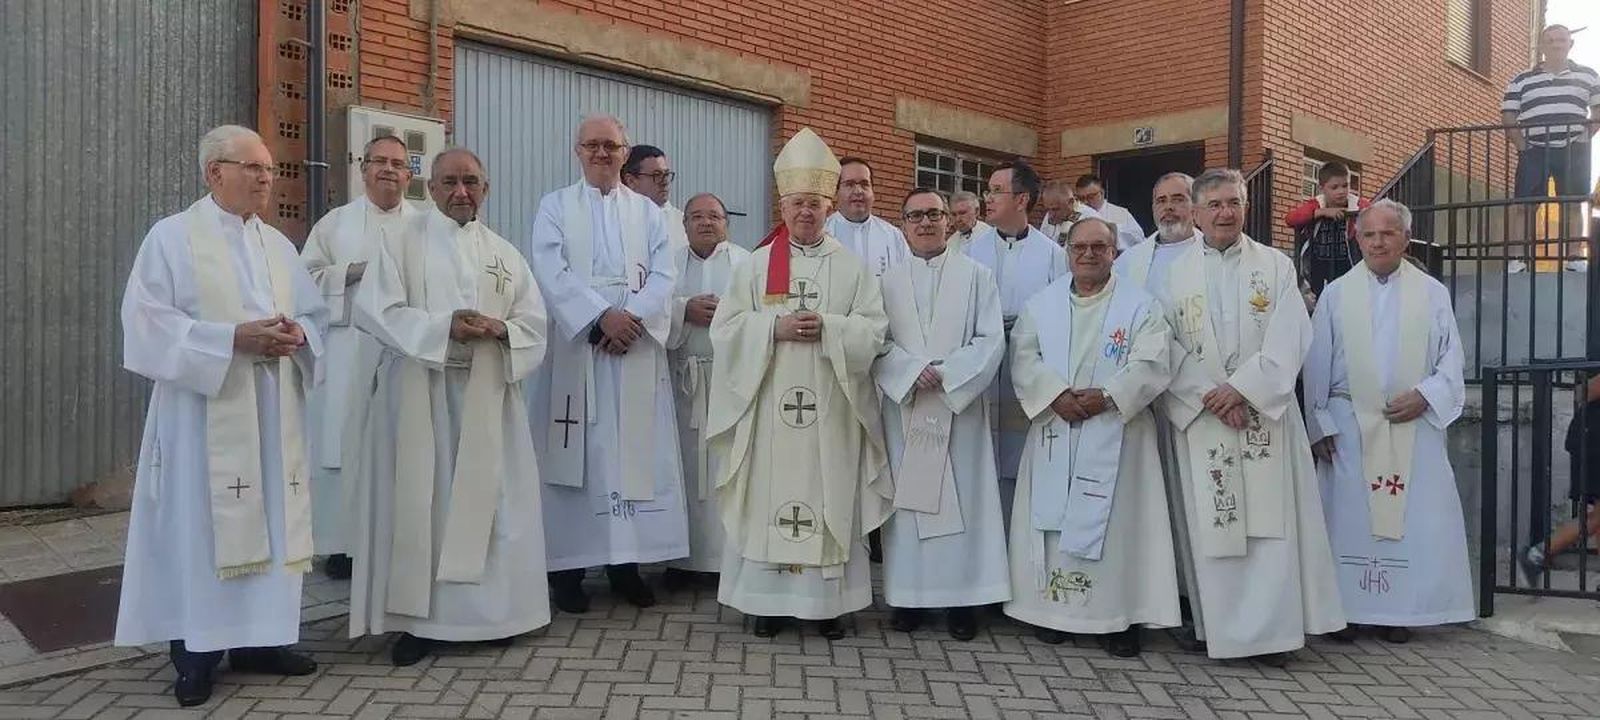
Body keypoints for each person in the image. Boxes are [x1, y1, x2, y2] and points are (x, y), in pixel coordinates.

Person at [116, 125, 325, 706]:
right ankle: (196, 653)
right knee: (201, 528)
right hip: (202, 417)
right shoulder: (172, 239)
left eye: (269, 168)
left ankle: (262, 640)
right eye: (253, 167)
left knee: (274, 519)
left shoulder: (279, 245)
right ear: (215, 173)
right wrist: (229, 339)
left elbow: (316, 317)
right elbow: (144, 323)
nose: (266, 177)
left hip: (272, 413)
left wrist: (298, 336)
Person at [346, 148, 551, 666]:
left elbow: (535, 321)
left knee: (494, 505)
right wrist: (443, 328)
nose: (462, 191)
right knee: (424, 505)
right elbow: (376, 312)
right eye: (451, 182)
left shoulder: (507, 253)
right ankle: (420, 623)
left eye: (472, 182)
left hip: (489, 396)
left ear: (487, 188)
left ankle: (497, 615)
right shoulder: (399, 242)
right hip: (421, 393)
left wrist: (502, 329)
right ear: (430, 188)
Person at [706, 128, 892, 640]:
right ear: (782, 208)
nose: (805, 212)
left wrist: (830, 328)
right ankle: (765, 603)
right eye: (795, 204)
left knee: (829, 490)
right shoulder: (757, 265)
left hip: (830, 411)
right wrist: (774, 327)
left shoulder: (852, 269)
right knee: (769, 493)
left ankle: (827, 607)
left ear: (828, 207)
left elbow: (874, 330)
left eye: (813, 203)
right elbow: (726, 330)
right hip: (768, 408)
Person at [1157, 168, 1344, 666]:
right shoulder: (1172, 277)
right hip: (1204, 419)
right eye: (1214, 204)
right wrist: (1208, 395)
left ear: (1245, 208)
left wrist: (1242, 390)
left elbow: (1291, 335)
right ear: (1196, 214)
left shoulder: (1275, 266)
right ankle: (1216, 629)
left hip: (1263, 416)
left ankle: (1273, 635)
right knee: (1214, 524)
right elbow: (1163, 346)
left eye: (1233, 203)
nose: (1225, 213)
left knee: (1267, 529)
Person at [527, 115, 689, 613]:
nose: (602, 153)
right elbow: (549, 269)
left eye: (611, 146)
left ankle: (627, 567)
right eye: (592, 145)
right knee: (579, 458)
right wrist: (599, 320)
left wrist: (631, 320)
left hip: (634, 349)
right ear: (577, 151)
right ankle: (569, 572)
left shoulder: (650, 212)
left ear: (624, 153)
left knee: (630, 457)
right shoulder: (554, 205)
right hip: (580, 350)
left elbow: (666, 272)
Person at [1005, 218, 1179, 657]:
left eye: (1098, 247)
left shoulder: (1142, 306)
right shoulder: (1041, 305)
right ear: (1067, 252)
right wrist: (1054, 394)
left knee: (1121, 528)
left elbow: (1153, 361)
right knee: (1054, 518)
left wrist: (1109, 395)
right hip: (1056, 425)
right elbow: (1023, 355)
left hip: (1117, 429)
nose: (1087, 254)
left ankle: (1118, 618)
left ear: (1114, 252)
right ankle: (1052, 613)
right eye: (1079, 247)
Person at [1303, 200, 1472, 644]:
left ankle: (1399, 610)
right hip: (1349, 424)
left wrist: (1426, 396)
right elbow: (1317, 361)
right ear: (1356, 238)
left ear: (1405, 237)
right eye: (1369, 234)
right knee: (1348, 518)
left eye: (1388, 233)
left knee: (1414, 517)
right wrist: (1318, 423)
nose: (1378, 242)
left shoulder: (1432, 293)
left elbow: (1450, 361)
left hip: (1410, 423)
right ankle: (1346, 610)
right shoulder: (1337, 293)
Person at [875, 188, 1008, 640]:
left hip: (959, 410)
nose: (926, 223)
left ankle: (964, 601)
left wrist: (947, 375)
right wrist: (911, 371)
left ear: (949, 221)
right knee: (911, 506)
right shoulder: (886, 280)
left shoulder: (977, 276)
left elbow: (991, 340)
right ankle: (909, 598)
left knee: (965, 503)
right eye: (916, 216)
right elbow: (877, 340)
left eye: (935, 214)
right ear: (903, 223)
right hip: (908, 406)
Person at [301, 134, 420, 580]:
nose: (388, 169)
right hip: (349, 350)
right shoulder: (335, 224)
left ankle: (399, 541)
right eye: (379, 161)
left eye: (398, 163)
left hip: (403, 352)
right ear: (363, 169)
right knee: (344, 444)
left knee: (400, 444)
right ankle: (343, 545)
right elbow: (306, 279)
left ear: (410, 174)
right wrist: (353, 273)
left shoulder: (425, 226)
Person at [965, 161, 1068, 529]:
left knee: (1023, 457)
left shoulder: (1054, 255)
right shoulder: (969, 253)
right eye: (988, 190)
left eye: (996, 191)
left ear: (1022, 199)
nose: (987, 199)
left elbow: (1060, 314)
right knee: (981, 457)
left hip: (1028, 366)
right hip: (983, 366)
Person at [663, 192, 751, 590]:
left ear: (726, 222)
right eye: (696, 216)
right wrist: (683, 309)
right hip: (680, 383)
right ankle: (681, 559)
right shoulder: (667, 264)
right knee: (683, 467)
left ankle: (725, 559)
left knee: (725, 470)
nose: (705, 222)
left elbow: (762, 316)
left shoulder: (747, 264)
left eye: (714, 216)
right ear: (684, 226)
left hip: (729, 384)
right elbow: (652, 308)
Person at [1502, 24, 1600, 271]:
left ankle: (1575, 257)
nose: (1556, 44)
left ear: (1570, 44)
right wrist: (1522, 145)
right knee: (1524, 204)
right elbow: (1508, 115)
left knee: (1573, 203)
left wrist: (1585, 137)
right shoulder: (1521, 79)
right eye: (1551, 40)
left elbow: (1598, 110)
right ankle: (1515, 259)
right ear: (1542, 46)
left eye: (1561, 40)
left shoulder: (1589, 75)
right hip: (1533, 149)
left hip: (1573, 148)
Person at [1285, 161, 1370, 299]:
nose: (1341, 191)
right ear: (1322, 188)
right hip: (1319, 262)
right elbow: (1291, 218)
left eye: (1345, 185)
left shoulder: (1357, 204)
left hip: (1347, 261)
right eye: (1334, 187)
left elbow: (1373, 212)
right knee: (1319, 300)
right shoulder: (1317, 203)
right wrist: (1322, 212)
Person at [825, 157, 911, 277]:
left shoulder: (892, 236)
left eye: (865, 184)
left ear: (873, 192)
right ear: (835, 192)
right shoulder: (822, 233)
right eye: (849, 184)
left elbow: (907, 280)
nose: (858, 191)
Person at [623, 144, 688, 252]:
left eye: (666, 174)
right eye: (656, 175)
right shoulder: (616, 220)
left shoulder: (682, 223)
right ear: (631, 181)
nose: (665, 182)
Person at [1074, 174, 1146, 250]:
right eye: (1081, 198)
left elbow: (1138, 239)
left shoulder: (1120, 213)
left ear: (1102, 193)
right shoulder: (1076, 215)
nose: (1085, 202)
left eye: (1090, 197)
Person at [1036, 179, 1092, 244]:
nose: (1051, 215)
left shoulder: (1088, 218)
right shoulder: (1050, 214)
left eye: (1056, 209)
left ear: (1071, 202)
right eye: (1048, 209)